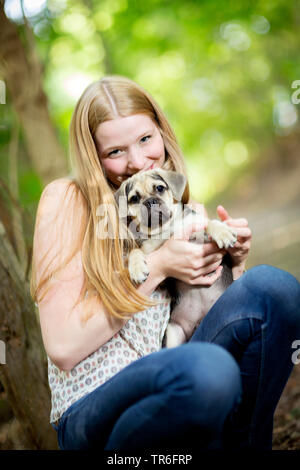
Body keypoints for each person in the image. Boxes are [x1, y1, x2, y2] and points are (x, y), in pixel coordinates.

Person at [30, 75, 300, 450]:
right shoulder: (67, 200)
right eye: (115, 152)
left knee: (274, 289)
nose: (138, 161)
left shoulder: (168, 200)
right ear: (93, 155)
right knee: (206, 370)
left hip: (180, 369)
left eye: (145, 139)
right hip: (96, 406)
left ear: (161, 132)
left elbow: (200, 309)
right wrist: (158, 265)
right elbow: (62, 348)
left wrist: (230, 263)